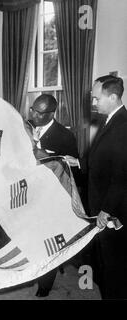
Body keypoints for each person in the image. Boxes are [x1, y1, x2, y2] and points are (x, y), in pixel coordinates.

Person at [65, 75, 127, 299]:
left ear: (113, 97)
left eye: (96, 98)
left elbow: (121, 176)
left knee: (114, 265)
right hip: (101, 205)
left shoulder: (123, 126)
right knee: (103, 262)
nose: (93, 103)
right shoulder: (108, 119)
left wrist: (106, 209)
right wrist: (79, 162)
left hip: (112, 210)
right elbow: (103, 157)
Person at [26, 94, 79, 297]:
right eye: (33, 110)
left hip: (52, 198)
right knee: (32, 238)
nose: (34, 115)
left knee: (49, 241)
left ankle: (45, 285)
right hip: (30, 194)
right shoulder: (27, 127)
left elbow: (73, 174)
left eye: (40, 113)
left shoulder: (65, 137)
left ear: (51, 114)